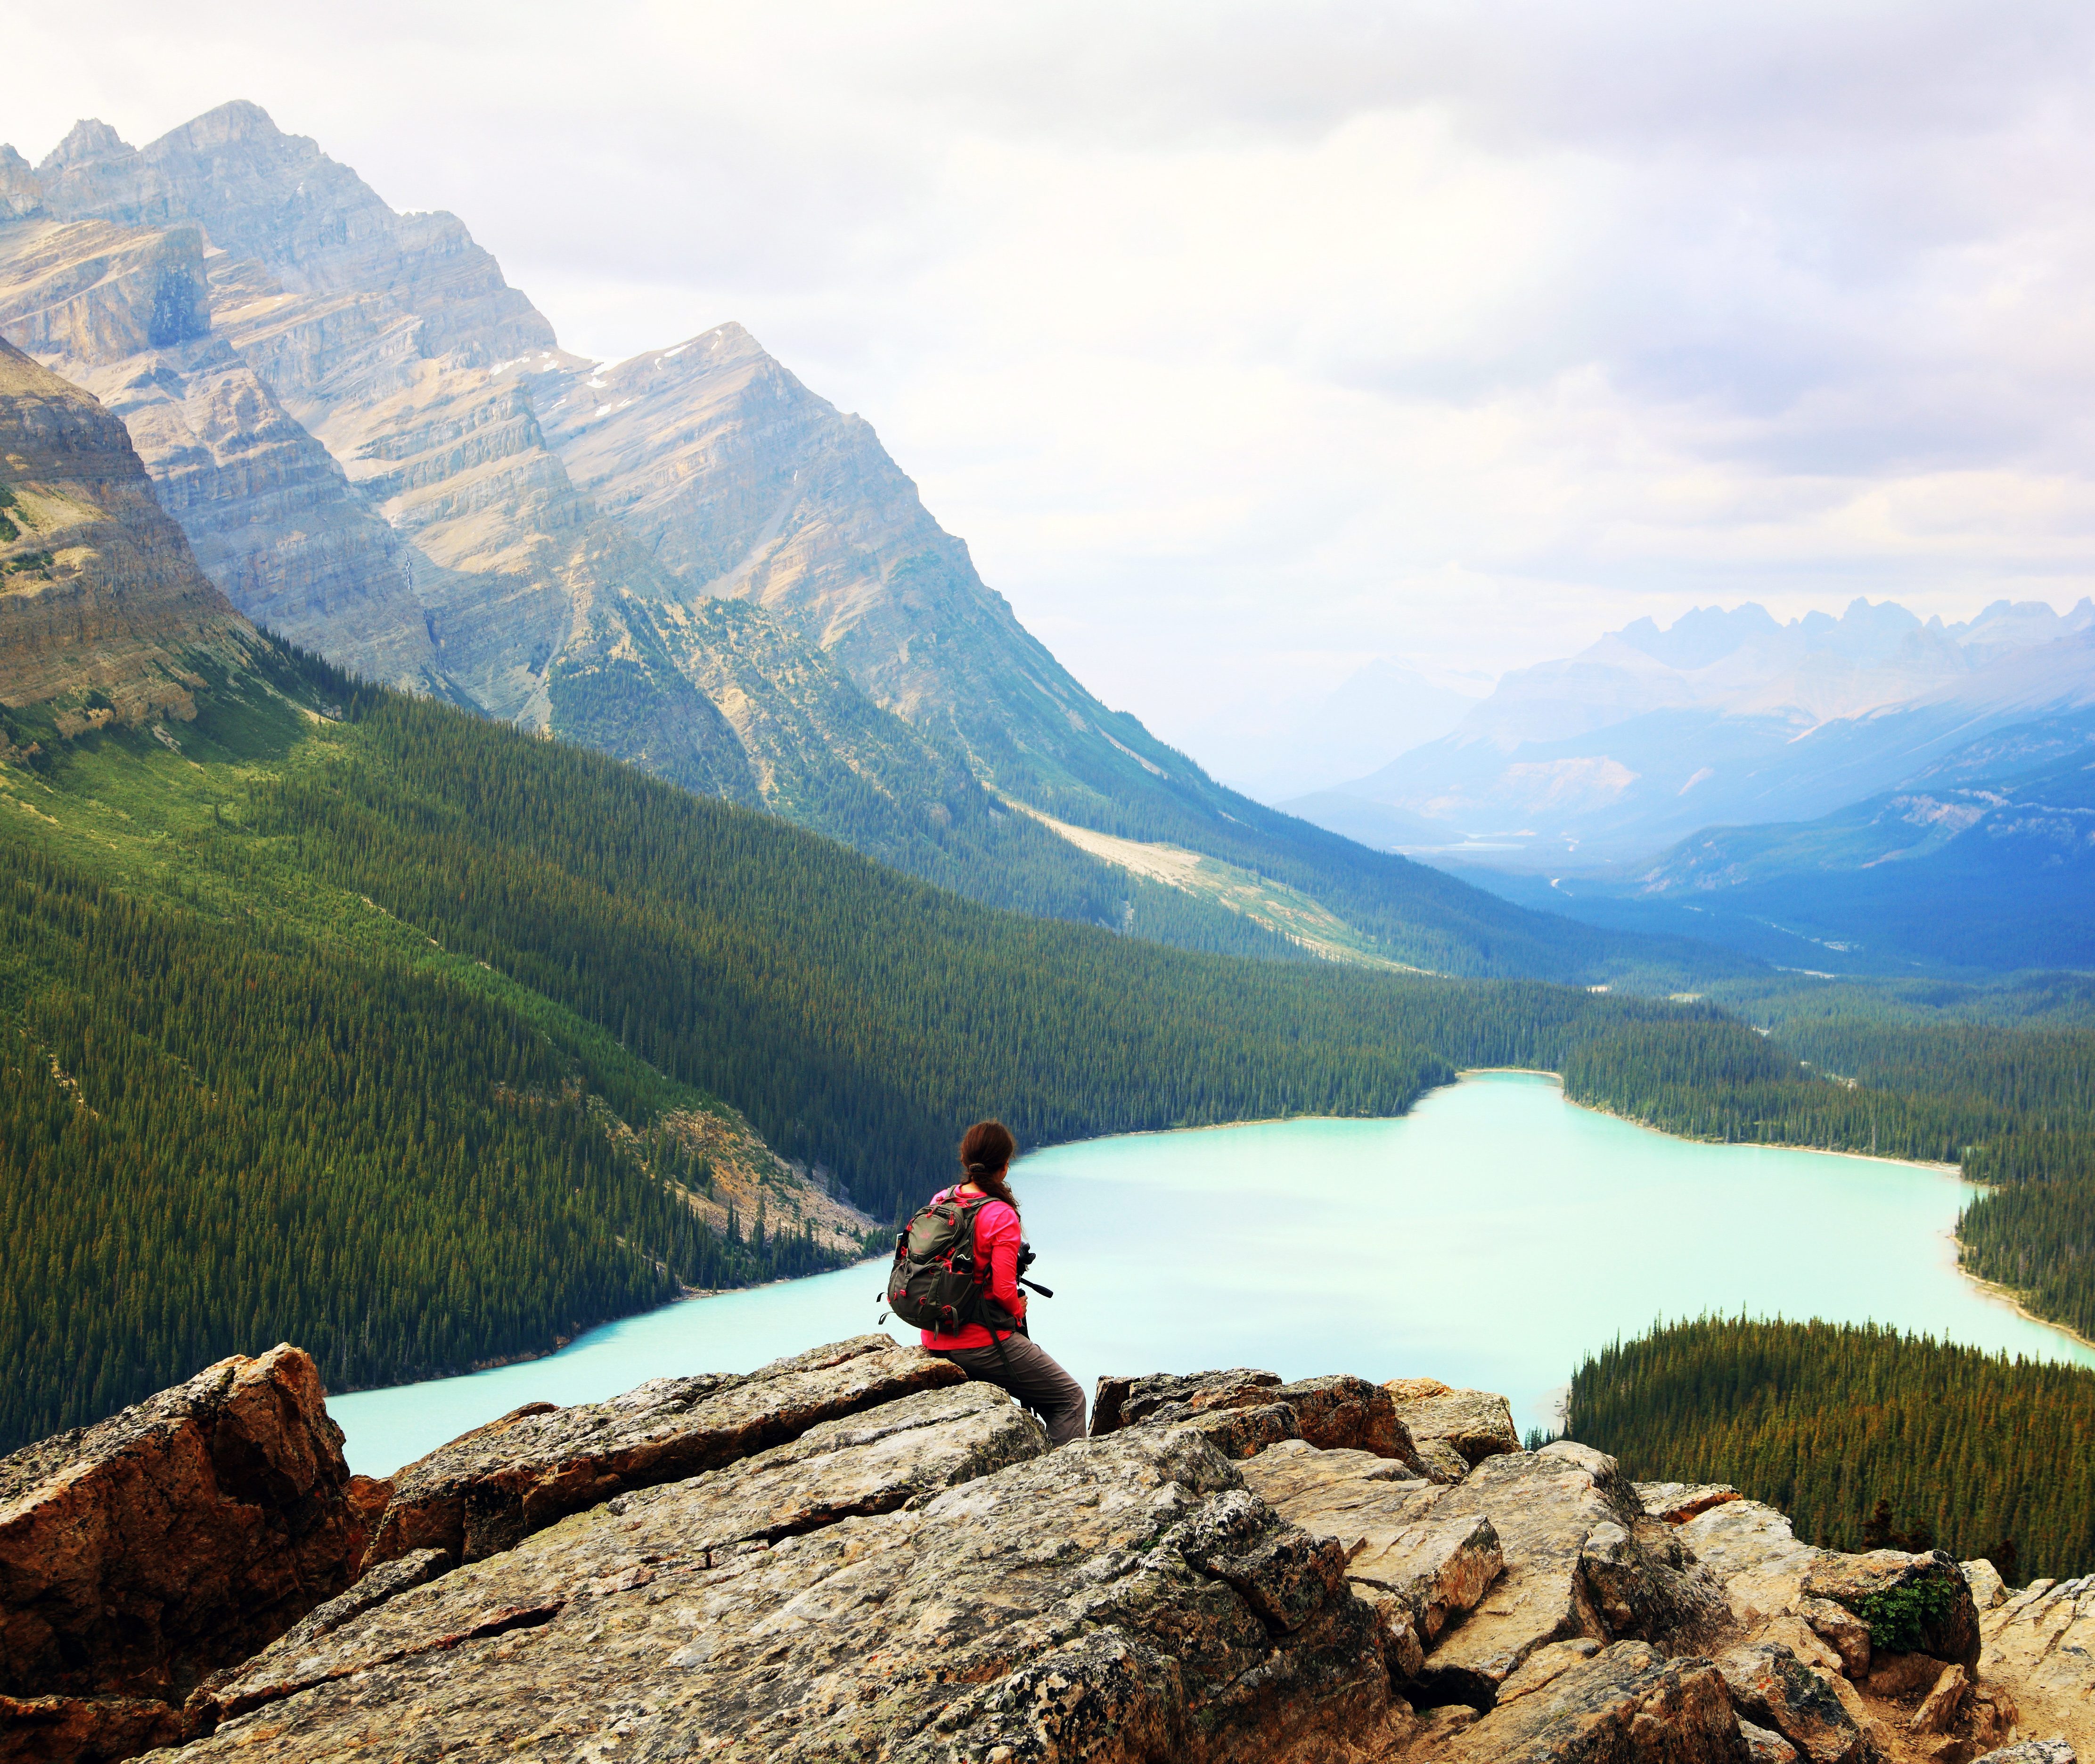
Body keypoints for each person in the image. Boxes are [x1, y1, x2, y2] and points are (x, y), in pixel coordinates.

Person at [919, 1119, 1088, 1446]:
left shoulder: (942, 1199)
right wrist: (1017, 1308)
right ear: (1005, 1167)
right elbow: (1002, 1290)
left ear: (966, 1161)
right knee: (1069, 1399)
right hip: (980, 1344)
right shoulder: (1001, 1215)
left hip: (935, 1336)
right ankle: (1064, 1485)